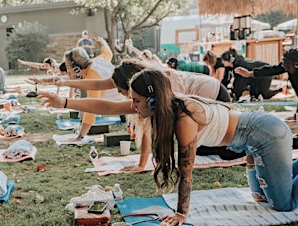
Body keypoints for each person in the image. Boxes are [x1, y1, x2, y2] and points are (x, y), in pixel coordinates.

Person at [39, 69, 298, 226]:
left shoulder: (184, 117)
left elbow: (187, 171)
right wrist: (63, 102)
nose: (133, 106)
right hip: (251, 145)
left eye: (136, 101)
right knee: (262, 198)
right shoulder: (161, 104)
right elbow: (106, 107)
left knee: (282, 205)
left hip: (267, 136)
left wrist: (181, 213)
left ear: (151, 100)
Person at [41, 59, 240, 172]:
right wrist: (64, 92)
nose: (120, 96)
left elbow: (146, 128)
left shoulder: (161, 88)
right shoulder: (137, 80)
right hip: (204, 101)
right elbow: (103, 97)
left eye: (121, 91)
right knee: (202, 148)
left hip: (215, 97)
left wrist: (142, 163)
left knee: (221, 147)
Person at [31, 37, 122, 142]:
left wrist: (80, 137)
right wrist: (102, 42)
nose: (67, 70)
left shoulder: (93, 77)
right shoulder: (96, 62)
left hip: (126, 102)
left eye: (68, 66)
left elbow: (91, 109)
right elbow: (107, 52)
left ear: (76, 69)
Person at [233, 49, 297, 119]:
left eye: (287, 67)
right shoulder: (289, 66)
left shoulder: (293, 65)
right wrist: (250, 74)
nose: (285, 68)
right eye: (284, 66)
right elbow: (271, 70)